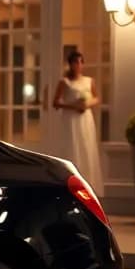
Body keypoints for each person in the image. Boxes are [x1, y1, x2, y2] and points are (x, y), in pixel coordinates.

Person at [48, 50, 103, 194]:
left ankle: (89, 184)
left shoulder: (89, 80)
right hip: (71, 119)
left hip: (85, 118)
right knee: (72, 146)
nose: (78, 65)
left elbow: (97, 98)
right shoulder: (64, 81)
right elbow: (55, 102)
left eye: (80, 62)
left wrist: (87, 104)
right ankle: (71, 183)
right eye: (75, 62)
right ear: (70, 64)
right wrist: (73, 106)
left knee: (86, 147)